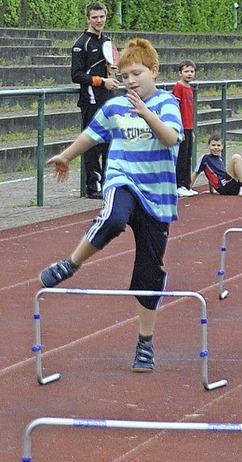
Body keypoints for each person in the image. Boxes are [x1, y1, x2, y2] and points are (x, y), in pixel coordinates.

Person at [38, 38, 184, 372]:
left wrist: (147, 114)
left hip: (157, 195)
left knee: (149, 271)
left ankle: (145, 343)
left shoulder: (166, 103)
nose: (131, 80)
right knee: (114, 218)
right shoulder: (115, 106)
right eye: (124, 74)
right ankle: (71, 263)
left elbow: (171, 138)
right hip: (123, 179)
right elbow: (92, 135)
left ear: (154, 72)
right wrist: (67, 156)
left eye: (137, 73)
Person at [71, 1, 120, 199]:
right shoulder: (81, 44)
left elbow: (111, 66)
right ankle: (92, 187)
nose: (99, 21)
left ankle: (108, 182)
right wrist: (103, 81)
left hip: (108, 100)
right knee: (92, 144)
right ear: (88, 18)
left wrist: (112, 75)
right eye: (95, 17)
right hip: (90, 101)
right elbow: (76, 75)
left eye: (102, 17)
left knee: (110, 143)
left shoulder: (107, 41)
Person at [172, 59, 198, 197]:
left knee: (188, 157)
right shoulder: (178, 88)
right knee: (181, 157)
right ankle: (179, 184)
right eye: (186, 71)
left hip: (188, 127)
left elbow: (190, 110)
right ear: (180, 73)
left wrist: (191, 130)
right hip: (181, 127)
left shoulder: (190, 89)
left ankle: (186, 184)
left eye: (191, 71)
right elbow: (176, 107)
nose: (189, 74)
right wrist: (179, 128)